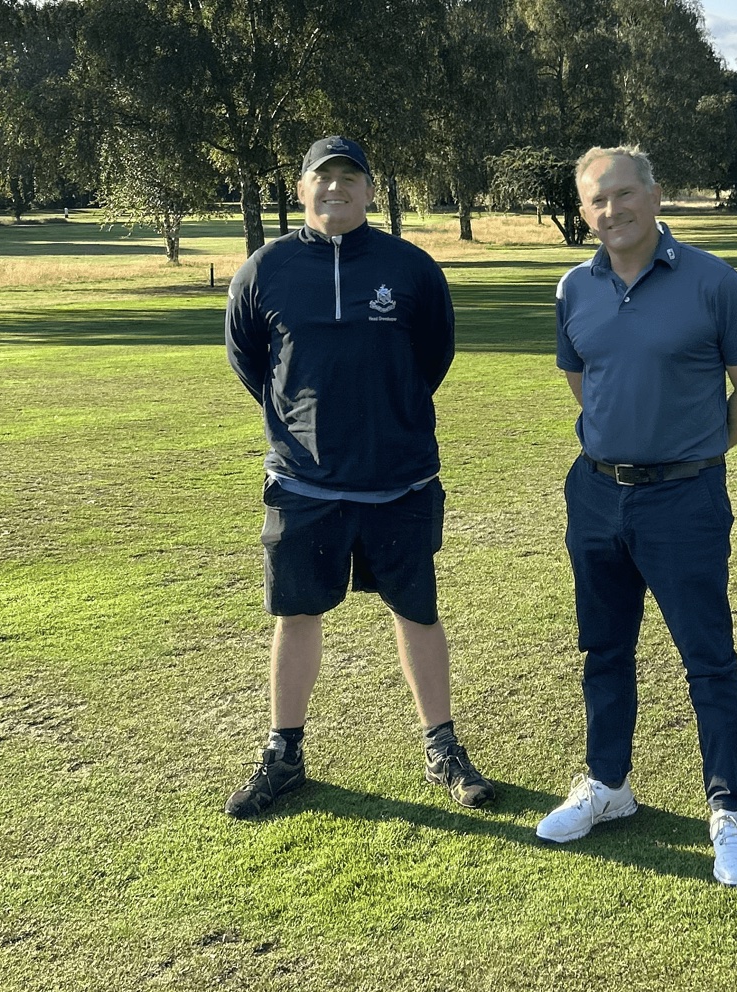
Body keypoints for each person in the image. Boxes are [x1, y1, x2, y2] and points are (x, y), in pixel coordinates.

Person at [222, 135, 494, 817]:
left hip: (398, 479)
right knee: (297, 614)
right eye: (323, 178)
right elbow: (251, 364)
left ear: (371, 191)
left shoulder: (411, 268)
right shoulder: (265, 269)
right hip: (304, 483)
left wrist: (386, 415)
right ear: (301, 188)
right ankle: (284, 753)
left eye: (350, 178)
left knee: (417, 612)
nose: (336, 189)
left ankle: (442, 749)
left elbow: (433, 357)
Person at [536, 145, 737, 885]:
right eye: (597, 201)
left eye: (624, 194)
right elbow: (584, 383)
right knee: (603, 650)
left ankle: (727, 808)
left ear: (655, 195)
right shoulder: (574, 289)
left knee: (707, 659)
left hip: (686, 498)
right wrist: (623, 457)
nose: (613, 211)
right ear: (584, 212)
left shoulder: (716, 284)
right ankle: (609, 786)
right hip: (597, 494)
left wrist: (692, 453)